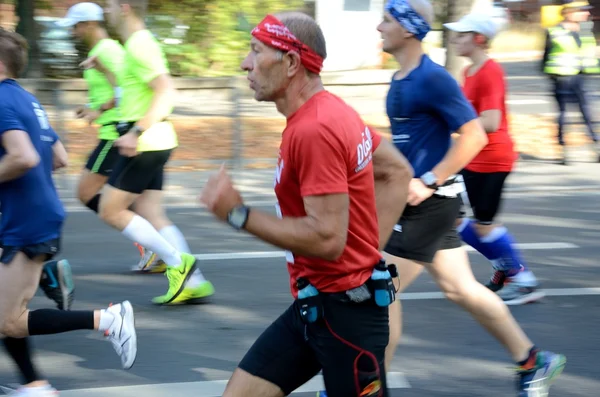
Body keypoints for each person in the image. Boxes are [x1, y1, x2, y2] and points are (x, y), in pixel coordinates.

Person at [200, 11, 412, 397]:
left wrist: (237, 214)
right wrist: (365, 252)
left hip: (346, 320)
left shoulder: (315, 129)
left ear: (292, 63)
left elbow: (327, 238)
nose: (245, 63)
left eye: (256, 51)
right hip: (316, 308)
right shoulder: (331, 112)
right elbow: (397, 172)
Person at [377, 1, 566, 396]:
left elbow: (477, 134)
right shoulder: (400, 79)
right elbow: (411, 146)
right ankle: (533, 362)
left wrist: (428, 179)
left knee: (380, 289)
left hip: (431, 203)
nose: (379, 27)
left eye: (387, 20)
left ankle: (368, 386)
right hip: (418, 201)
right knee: (460, 288)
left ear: (409, 29)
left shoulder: (433, 78)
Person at [0, 27, 136, 397]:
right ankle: (34, 384)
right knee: (6, 313)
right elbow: (58, 156)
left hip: (24, 220)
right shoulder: (27, 99)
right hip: (35, 214)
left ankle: (108, 319)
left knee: (9, 320)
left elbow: (24, 156)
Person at [82, 0, 214, 304]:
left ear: (125, 6)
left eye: (111, 5)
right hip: (157, 140)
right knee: (152, 214)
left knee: (110, 210)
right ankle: (194, 282)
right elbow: (129, 93)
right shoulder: (134, 44)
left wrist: (135, 132)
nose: (107, 11)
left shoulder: (139, 44)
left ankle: (178, 264)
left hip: (146, 142)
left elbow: (165, 91)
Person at [443, 13, 544, 305]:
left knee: (482, 225)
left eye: (462, 35)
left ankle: (524, 281)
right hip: (473, 157)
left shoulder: (490, 71)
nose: (455, 40)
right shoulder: (469, 72)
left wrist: (456, 123)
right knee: (453, 219)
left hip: (492, 159)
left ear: (479, 39)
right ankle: (506, 267)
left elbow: (491, 121)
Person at [58, 2, 163, 274]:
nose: (73, 31)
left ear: (90, 24)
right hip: (112, 131)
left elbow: (123, 90)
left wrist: (100, 110)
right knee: (129, 202)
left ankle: (154, 246)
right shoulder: (101, 50)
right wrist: (92, 109)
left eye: (76, 25)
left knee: (90, 194)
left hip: (115, 134)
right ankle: (156, 246)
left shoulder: (108, 50)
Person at [542, 0, 599, 165]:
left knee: (587, 114)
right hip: (562, 80)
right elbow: (546, 59)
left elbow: (588, 55)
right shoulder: (554, 31)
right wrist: (553, 75)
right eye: (583, 10)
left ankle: (596, 148)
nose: (587, 13)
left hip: (579, 79)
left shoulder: (585, 31)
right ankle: (563, 152)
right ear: (569, 12)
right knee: (563, 116)